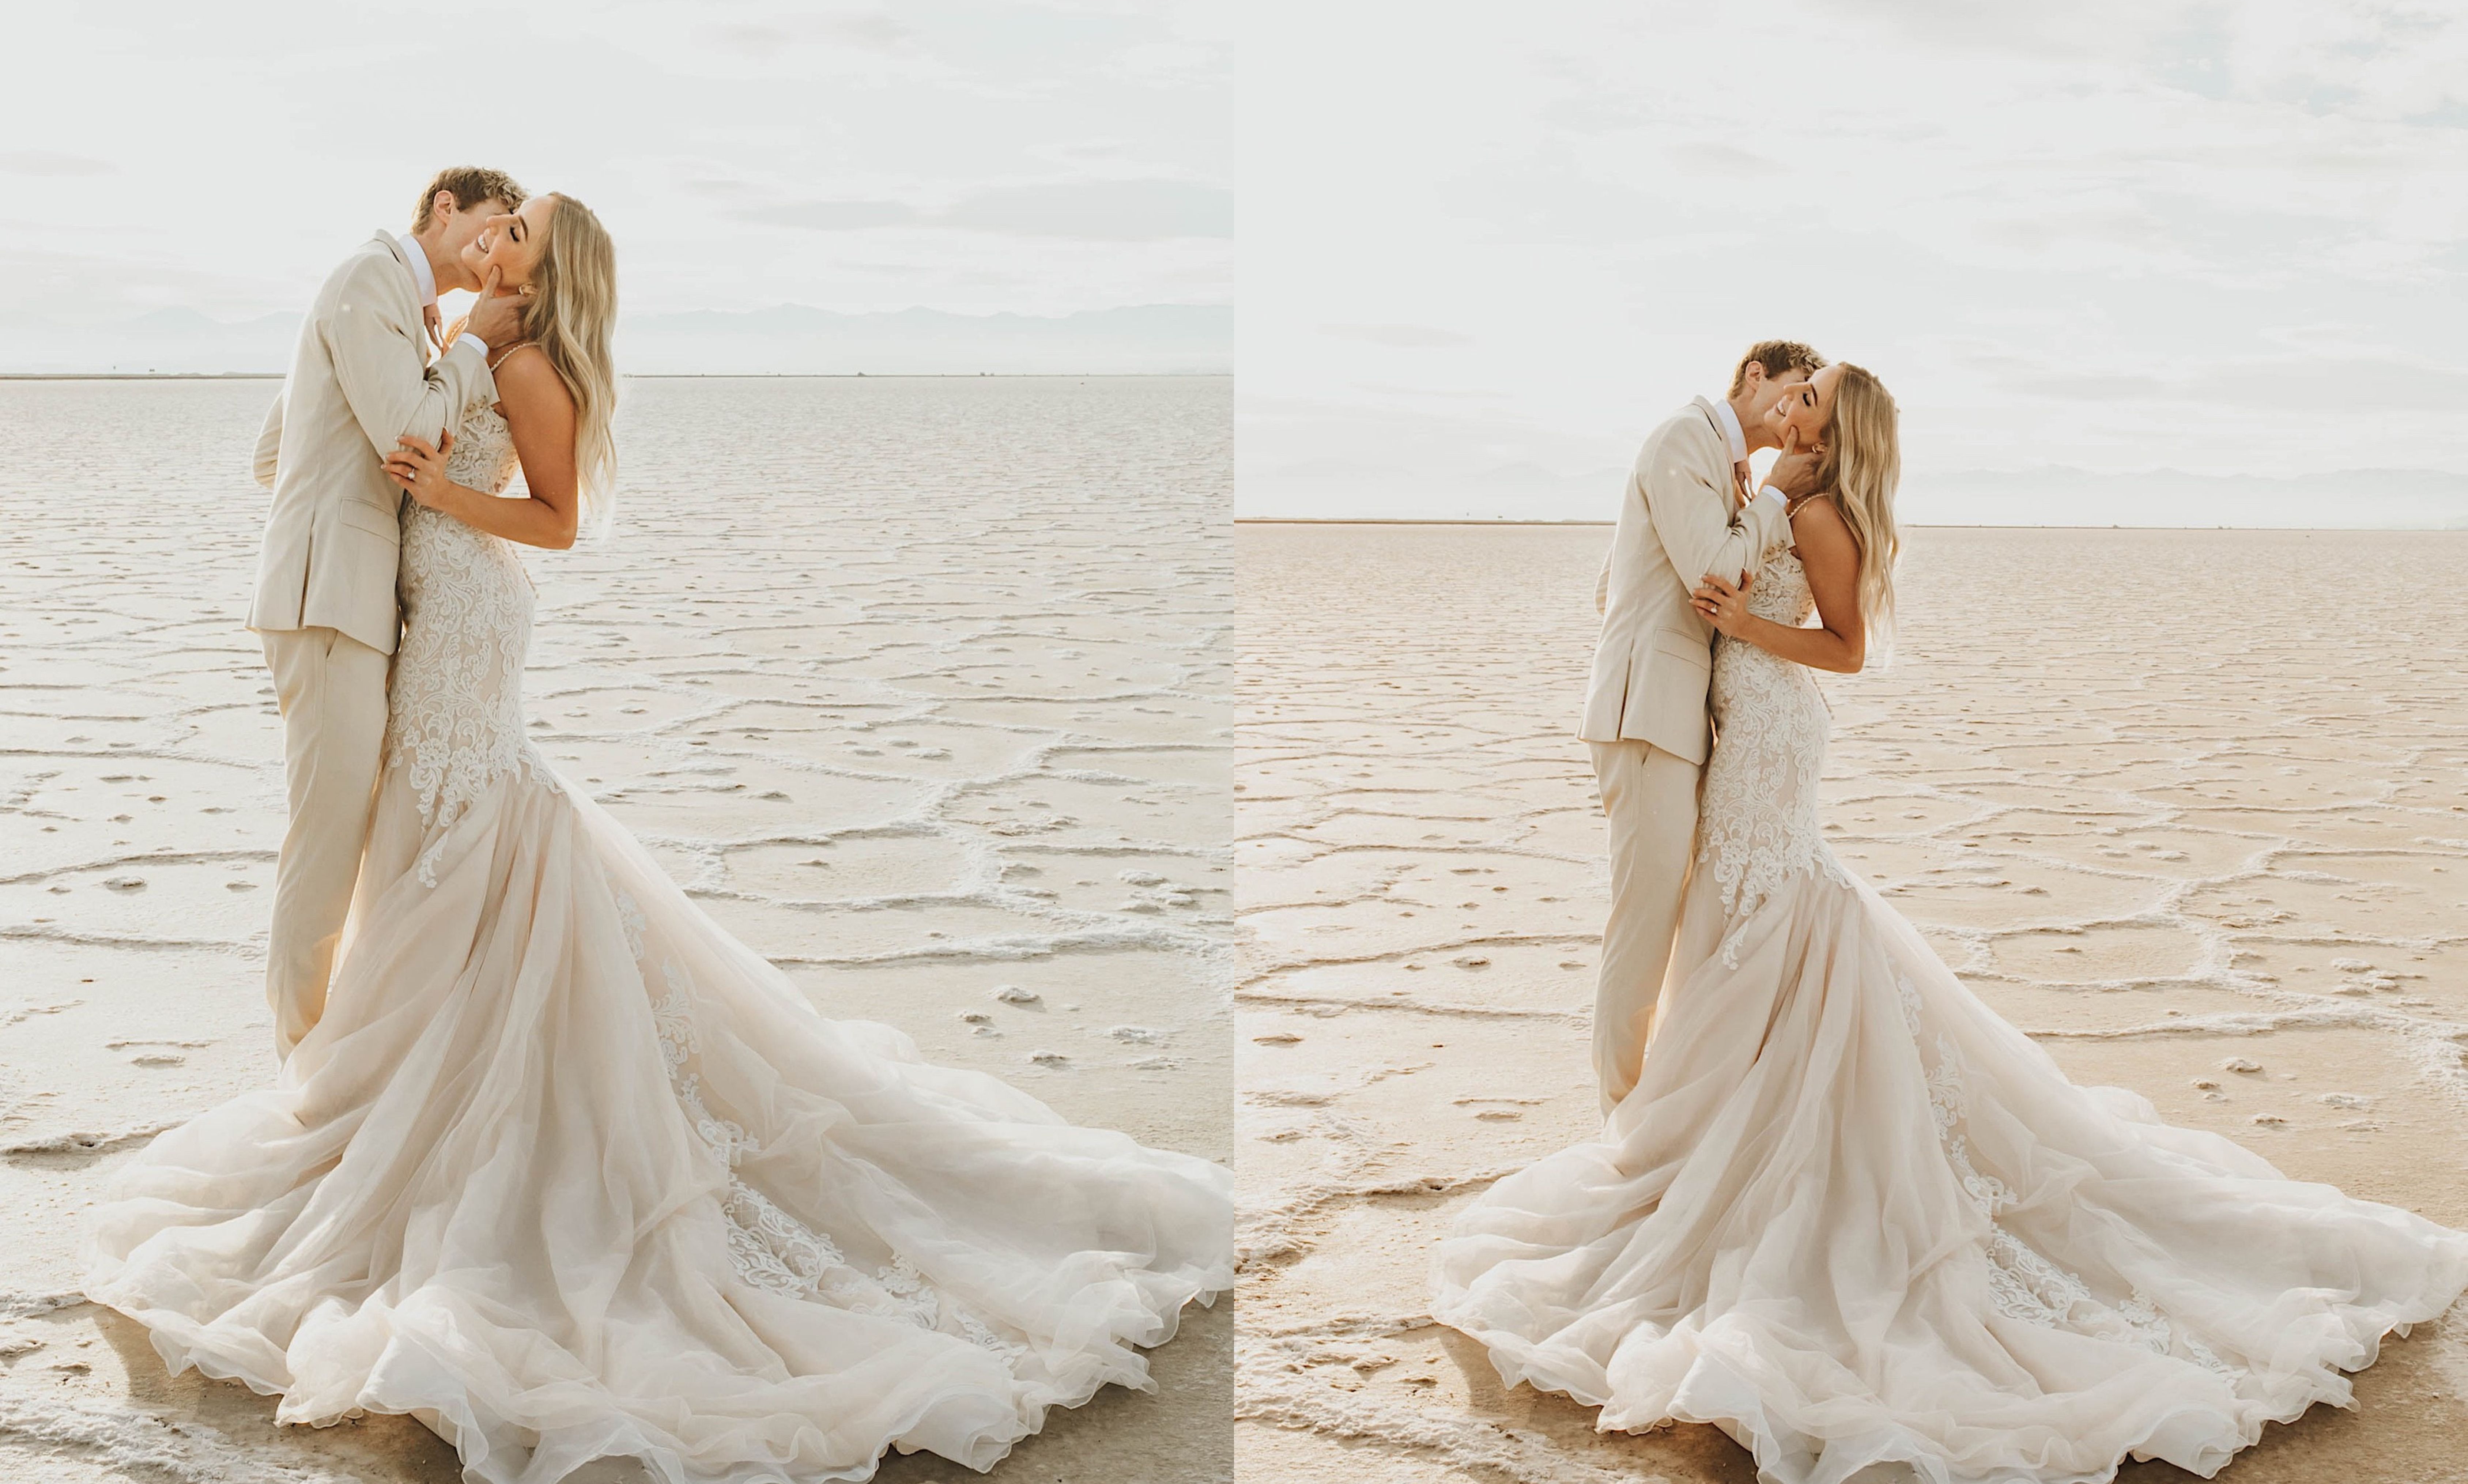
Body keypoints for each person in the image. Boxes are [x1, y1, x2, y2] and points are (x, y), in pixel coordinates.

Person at [91, 192, 1233, 1483]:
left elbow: (560, 521)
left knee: (458, 825)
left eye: (515, 228)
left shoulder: (528, 363)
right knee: (425, 854)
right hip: (412, 616)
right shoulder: (448, 328)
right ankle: (378, 1092)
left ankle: (396, 1108)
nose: (494, 235)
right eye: (496, 218)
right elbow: (332, 433)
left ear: (540, 264)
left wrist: (448, 495)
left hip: (462, 619)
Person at [1435, 362, 2468, 1483]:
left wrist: (1746, 618)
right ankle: (1704, 1126)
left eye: (1808, 405)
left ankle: (1710, 1144)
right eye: (1791, 396)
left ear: (1832, 434)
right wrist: (1746, 531)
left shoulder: (1820, 512)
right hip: (1732, 722)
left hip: (1772, 730)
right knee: (1742, 924)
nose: (1790, 411)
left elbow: (1844, 650)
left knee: (1765, 903)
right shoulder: (1772, 485)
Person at [245, 166, 531, 1056]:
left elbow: (272, 456)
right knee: (327, 845)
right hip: (328, 602)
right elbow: (409, 430)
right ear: (444, 207)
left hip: (341, 595)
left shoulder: (405, 310)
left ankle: (329, 1052)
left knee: (341, 834)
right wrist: (473, 350)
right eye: (488, 228)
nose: (492, 251)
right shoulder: (373, 279)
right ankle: (304, 1072)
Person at [1579, 337, 1824, 1109]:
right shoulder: (1685, 438)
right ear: (1755, 375)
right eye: (1789, 392)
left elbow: (1614, 582)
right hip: (1648, 715)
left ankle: (1659, 1103)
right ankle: (1622, 1119)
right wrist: (1778, 501)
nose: (1791, 415)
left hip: (1677, 714)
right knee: (1645, 923)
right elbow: (1713, 577)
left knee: (1669, 918)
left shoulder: (1728, 466)